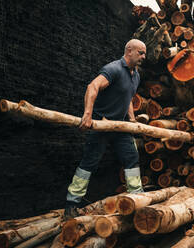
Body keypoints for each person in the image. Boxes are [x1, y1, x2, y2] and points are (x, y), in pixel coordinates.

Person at [64, 39, 147, 219]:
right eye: (140, 52)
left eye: (144, 53)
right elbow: (92, 86)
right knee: (89, 163)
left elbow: (128, 98)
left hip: (120, 127)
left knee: (132, 158)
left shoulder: (136, 75)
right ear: (129, 51)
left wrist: (132, 120)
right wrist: (87, 114)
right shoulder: (114, 69)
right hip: (100, 125)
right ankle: (71, 204)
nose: (143, 56)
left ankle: (137, 198)